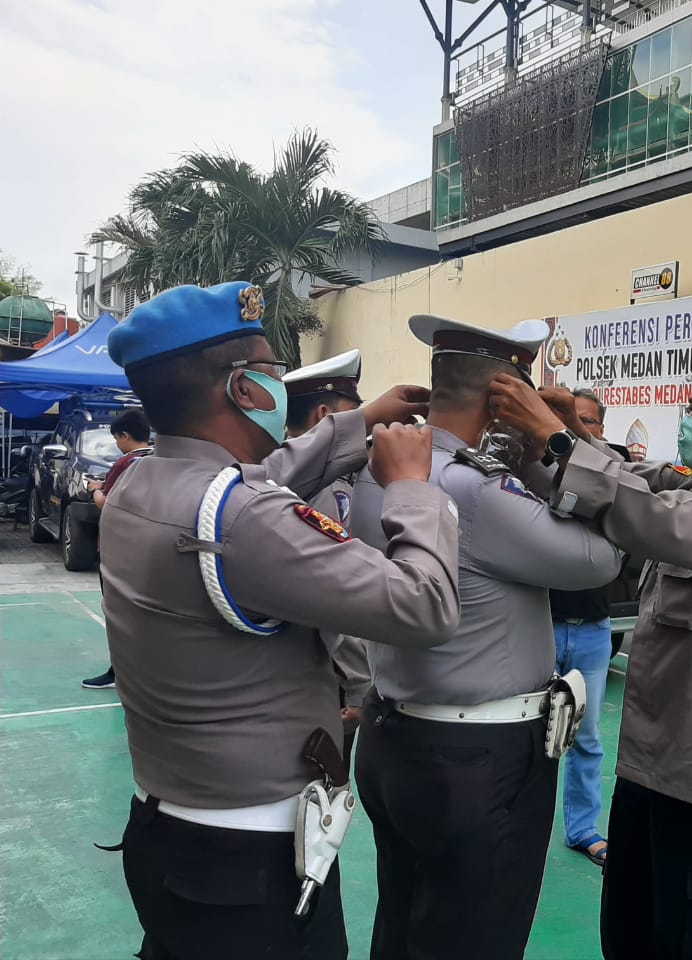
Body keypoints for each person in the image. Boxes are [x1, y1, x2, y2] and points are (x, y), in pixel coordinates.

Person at [99, 281, 461, 960]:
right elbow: (426, 606)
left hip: (170, 831)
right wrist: (414, 488)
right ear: (243, 390)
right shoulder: (245, 518)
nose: (281, 387)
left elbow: (254, 479)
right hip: (250, 866)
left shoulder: (139, 485)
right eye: (271, 372)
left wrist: (355, 423)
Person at [488, 357, 692, 960]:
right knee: (631, 932)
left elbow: (647, 517)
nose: (690, 418)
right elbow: (631, 477)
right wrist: (566, 434)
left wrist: (553, 436)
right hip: (649, 767)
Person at [347, 315, 622, 960]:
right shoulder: (474, 489)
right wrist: (561, 443)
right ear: (507, 397)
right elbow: (601, 559)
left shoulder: (376, 470)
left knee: (405, 924)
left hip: (393, 735)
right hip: (476, 757)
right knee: (478, 937)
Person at [549, 388, 632, 868]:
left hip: (594, 632)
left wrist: (580, 440)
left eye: (589, 422)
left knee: (586, 737)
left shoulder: (613, 469)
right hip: (540, 628)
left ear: (601, 427)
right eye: (570, 420)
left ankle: (581, 830)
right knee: (529, 738)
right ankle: (516, 825)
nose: (582, 428)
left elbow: (613, 467)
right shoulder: (535, 473)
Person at [284, 348, 370, 772]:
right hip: (321, 679)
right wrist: (357, 687)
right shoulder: (324, 491)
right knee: (319, 803)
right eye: (356, 415)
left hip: (280, 674)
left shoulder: (270, 474)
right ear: (324, 416)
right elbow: (338, 592)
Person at [82, 407, 153, 690]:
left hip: (117, 549)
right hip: (148, 547)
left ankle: (118, 672)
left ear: (124, 435)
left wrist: (94, 490)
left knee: (116, 611)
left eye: (116, 438)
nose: (116, 444)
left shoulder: (125, 463)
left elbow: (107, 502)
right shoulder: (158, 460)